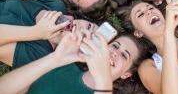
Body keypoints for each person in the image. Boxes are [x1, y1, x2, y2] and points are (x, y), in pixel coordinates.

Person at [0, 27, 151, 94]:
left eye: (125, 56)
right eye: (115, 46)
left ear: (126, 74)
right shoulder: (64, 65)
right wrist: (55, 59)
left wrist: (103, 82)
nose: (114, 53)